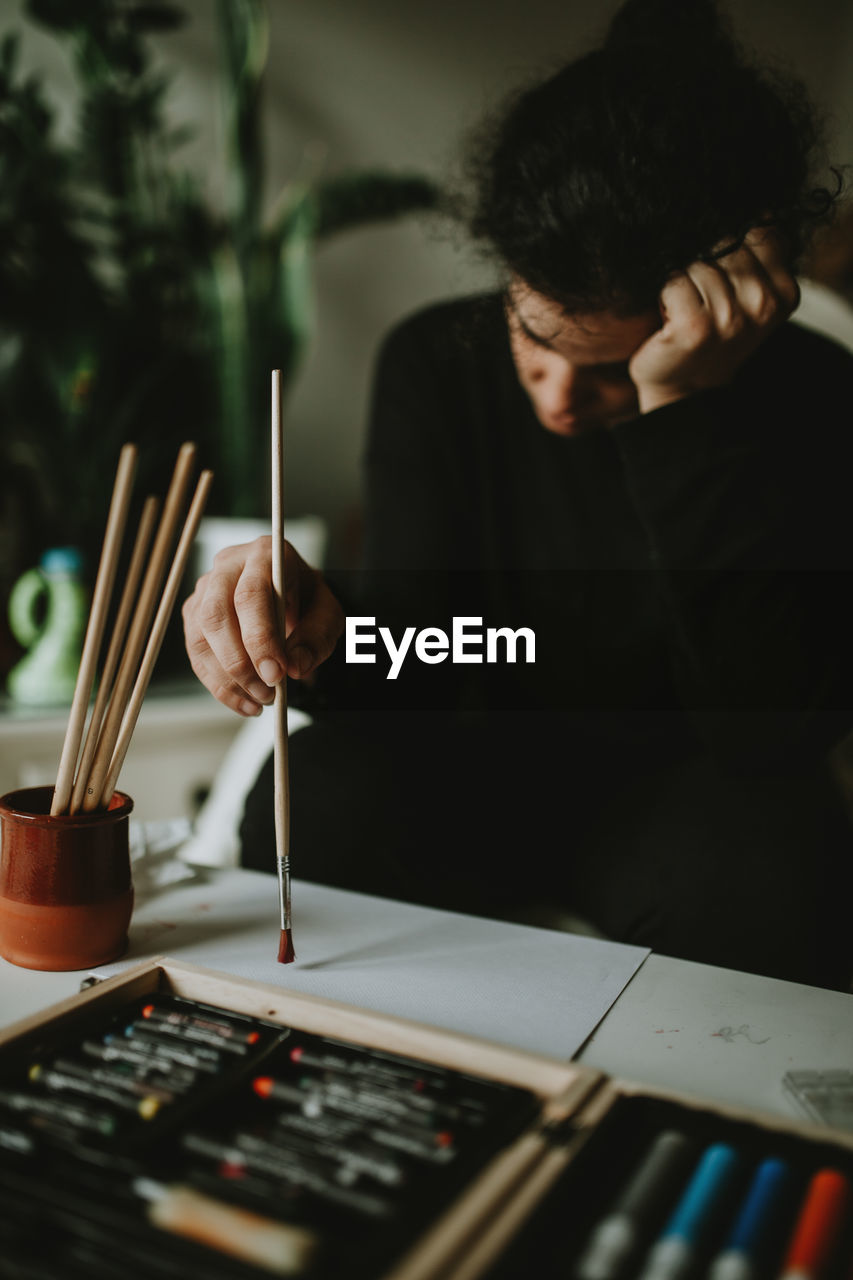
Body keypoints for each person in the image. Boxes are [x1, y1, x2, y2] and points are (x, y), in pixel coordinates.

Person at [182, 0, 853, 990]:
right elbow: (429, 653)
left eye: (618, 367)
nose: (558, 397)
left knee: (777, 856)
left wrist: (681, 414)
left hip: (678, 787)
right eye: (535, 337)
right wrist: (325, 629)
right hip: (471, 767)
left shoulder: (807, 393)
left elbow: (766, 734)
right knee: (323, 792)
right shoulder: (434, 364)